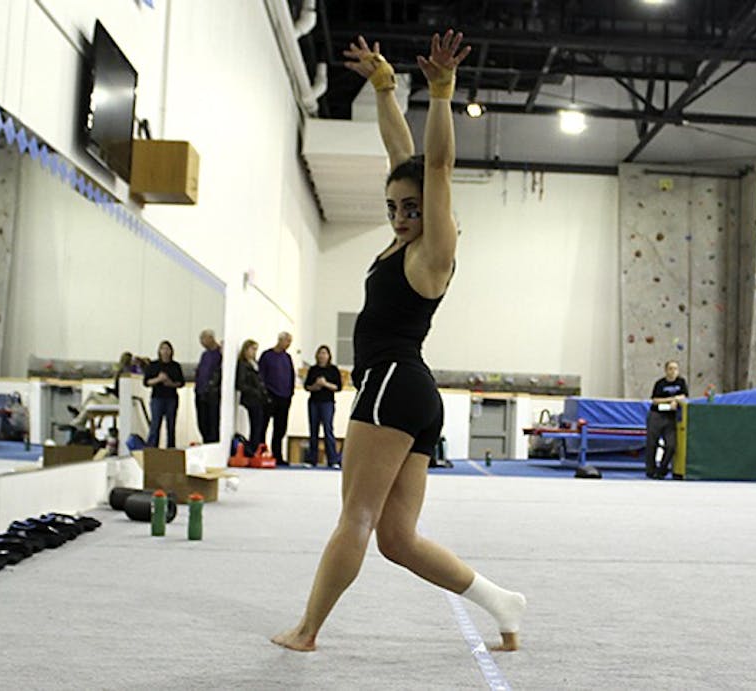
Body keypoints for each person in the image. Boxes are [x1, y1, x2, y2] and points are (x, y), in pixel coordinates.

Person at [273, 30, 526, 653]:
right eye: (391, 207)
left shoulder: (434, 251)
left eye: (411, 207)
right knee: (397, 539)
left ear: (433, 211)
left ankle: (307, 631)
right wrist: (385, 85)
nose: (399, 215)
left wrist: (441, 92)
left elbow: (435, 167)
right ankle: (501, 602)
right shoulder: (403, 238)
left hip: (391, 387)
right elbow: (402, 153)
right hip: (413, 392)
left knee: (355, 518)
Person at [66, 351, 137, 428]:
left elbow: (119, 391)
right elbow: (119, 389)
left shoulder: (122, 373)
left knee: (92, 395)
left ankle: (79, 414)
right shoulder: (126, 372)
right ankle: (79, 420)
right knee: (91, 402)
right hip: (116, 397)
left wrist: (109, 391)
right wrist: (109, 390)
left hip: (116, 400)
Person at [645, 360, 688, 479]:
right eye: (670, 368)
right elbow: (655, 400)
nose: (673, 371)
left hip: (671, 417)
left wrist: (675, 400)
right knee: (651, 444)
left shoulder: (681, 382)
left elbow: (684, 396)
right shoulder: (660, 383)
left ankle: (662, 469)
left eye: (675, 369)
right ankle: (651, 470)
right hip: (656, 415)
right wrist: (671, 399)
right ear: (666, 370)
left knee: (671, 445)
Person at [258, 332, 296, 465]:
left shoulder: (287, 357)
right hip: (270, 396)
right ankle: (260, 452)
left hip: (285, 397)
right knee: (263, 426)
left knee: (280, 428)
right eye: (287, 341)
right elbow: (261, 375)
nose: (289, 344)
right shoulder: (267, 356)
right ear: (280, 340)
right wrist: (265, 393)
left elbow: (291, 376)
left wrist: (290, 393)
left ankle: (277, 455)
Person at [303, 345, 342, 468]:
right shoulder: (313, 369)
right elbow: (307, 386)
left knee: (328, 430)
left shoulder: (333, 370)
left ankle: (333, 460)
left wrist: (325, 384)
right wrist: (316, 386)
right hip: (314, 402)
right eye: (320, 353)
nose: (322, 356)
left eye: (325, 353)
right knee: (313, 431)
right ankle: (311, 459)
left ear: (329, 356)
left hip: (327, 403)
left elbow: (338, 387)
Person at [143, 341, 185, 448]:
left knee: (171, 426)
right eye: (163, 349)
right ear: (159, 351)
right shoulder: (153, 365)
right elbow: (146, 382)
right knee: (155, 425)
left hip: (171, 398)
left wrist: (170, 383)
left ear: (171, 351)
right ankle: (152, 449)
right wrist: (158, 379)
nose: (165, 351)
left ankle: (171, 449)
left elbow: (181, 383)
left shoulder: (175, 366)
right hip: (157, 398)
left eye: (167, 349)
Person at [235, 339, 268, 456]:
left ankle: (256, 449)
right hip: (251, 399)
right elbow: (241, 384)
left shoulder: (255, 364)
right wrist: (255, 391)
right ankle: (252, 450)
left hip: (259, 399)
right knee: (255, 425)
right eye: (252, 349)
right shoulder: (243, 365)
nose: (254, 352)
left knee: (258, 426)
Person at [194, 329, 222, 444]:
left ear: (211, 338)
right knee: (202, 422)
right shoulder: (204, 355)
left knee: (212, 422)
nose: (201, 342)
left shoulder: (220, 354)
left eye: (203, 339)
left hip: (213, 395)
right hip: (200, 393)